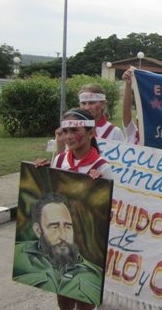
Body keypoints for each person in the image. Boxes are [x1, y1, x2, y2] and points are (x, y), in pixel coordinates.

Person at [34, 108, 113, 310]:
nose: (69, 137)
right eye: (65, 132)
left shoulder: (102, 167)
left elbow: (108, 210)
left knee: (84, 294)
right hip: (62, 241)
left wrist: (96, 191)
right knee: (63, 291)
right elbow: (50, 195)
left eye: (75, 131)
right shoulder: (60, 160)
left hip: (87, 242)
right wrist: (41, 174)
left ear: (90, 133)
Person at [13, 193, 104, 309]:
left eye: (67, 226)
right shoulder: (21, 256)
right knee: (64, 298)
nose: (63, 236)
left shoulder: (92, 273)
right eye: (54, 227)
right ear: (38, 230)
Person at [122, 66, 139, 144]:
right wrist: (128, 84)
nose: (139, 124)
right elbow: (126, 112)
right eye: (138, 121)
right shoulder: (132, 133)